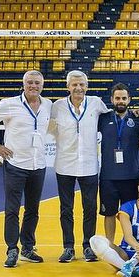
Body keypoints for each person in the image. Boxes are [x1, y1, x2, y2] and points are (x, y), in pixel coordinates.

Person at [0, 70, 52, 267]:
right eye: (30, 83)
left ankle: (27, 247)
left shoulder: (48, 105)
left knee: (33, 209)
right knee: (12, 209)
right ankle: (12, 249)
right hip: (16, 164)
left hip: (38, 164)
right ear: (23, 84)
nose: (33, 86)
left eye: (37, 83)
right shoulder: (10, 104)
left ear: (42, 85)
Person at [50, 70, 110, 263]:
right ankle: (68, 247)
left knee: (90, 208)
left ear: (87, 86)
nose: (78, 88)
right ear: (68, 86)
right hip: (64, 165)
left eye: (81, 84)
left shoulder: (96, 103)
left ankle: (87, 246)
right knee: (66, 209)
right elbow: (48, 129)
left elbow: (112, 119)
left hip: (90, 165)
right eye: (74, 84)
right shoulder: (57, 107)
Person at [97, 83, 139, 243]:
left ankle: (128, 243)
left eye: (124, 98)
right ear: (112, 99)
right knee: (109, 213)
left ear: (129, 99)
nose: (120, 101)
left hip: (131, 175)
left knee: (129, 213)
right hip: (108, 176)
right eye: (117, 98)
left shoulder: (137, 120)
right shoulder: (102, 118)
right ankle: (109, 245)